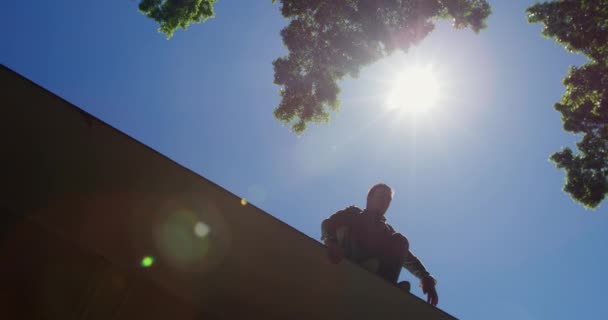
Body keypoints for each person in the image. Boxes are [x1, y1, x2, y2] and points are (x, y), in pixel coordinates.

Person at [321, 183, 439, 306]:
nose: (385, 201)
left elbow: (408, 258)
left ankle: (386, 284)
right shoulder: (353, 213)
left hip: (376, 269)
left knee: (400, 240)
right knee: (360, 221)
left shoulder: (387, 231)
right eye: (381, 196)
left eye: (388, 199)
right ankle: (363, 264)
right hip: (350, 257)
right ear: (369, 198)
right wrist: (331, 241)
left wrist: (426, 277)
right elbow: (328, 224)